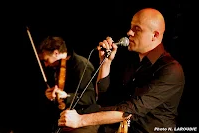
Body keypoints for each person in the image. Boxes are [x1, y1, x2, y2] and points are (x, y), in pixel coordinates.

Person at [57, 8, 185, 133]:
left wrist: (81, 120)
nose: (129, 32)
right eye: (131, 27)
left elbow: (131, 110)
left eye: (137, 29)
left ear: (155, 35)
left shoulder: (171, 70)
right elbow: (104, 100)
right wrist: (105, 63)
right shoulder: (132, 62)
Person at [37, 36, 100, 133]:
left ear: (56, 53)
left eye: (46, 60)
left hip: (84, 120)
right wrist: (52, 95)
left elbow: (91, 96)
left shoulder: (81, 65)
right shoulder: (56, 68)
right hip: (65, 119)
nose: (45, 64)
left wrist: (67, 96)